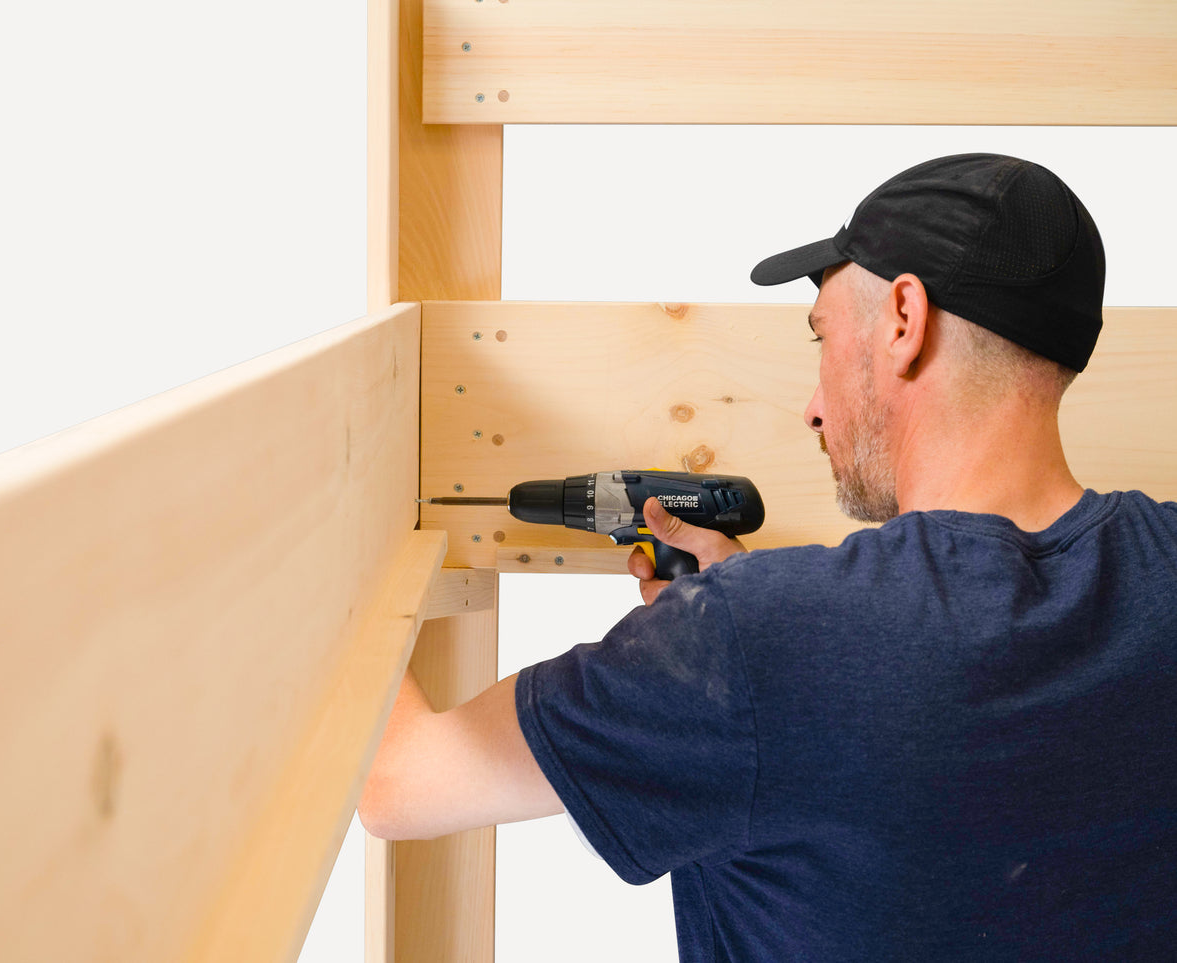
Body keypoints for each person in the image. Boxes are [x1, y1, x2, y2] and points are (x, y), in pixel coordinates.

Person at [357, 153, 1177, 960]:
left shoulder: (754, 638)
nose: (814, 409)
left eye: (821, 336)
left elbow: (396, 781)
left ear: (903, 318)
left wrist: (337, 511)